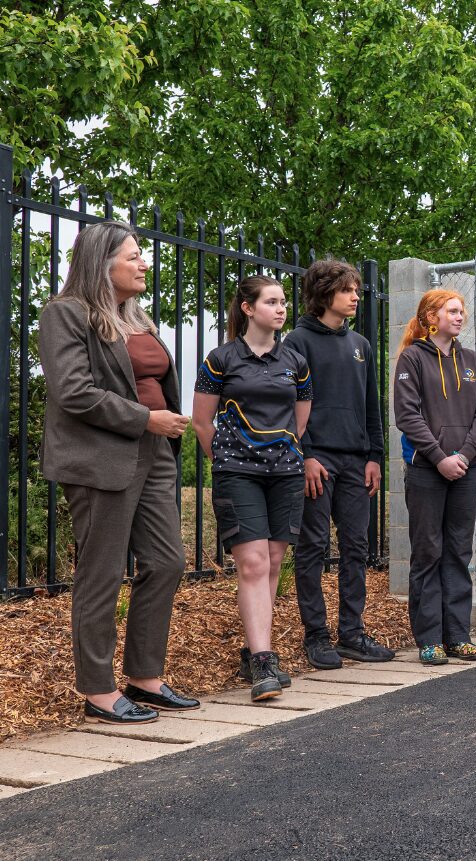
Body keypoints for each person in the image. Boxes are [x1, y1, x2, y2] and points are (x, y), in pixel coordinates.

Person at [39, 220, 199, 724]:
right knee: (102, 572)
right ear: (101, 263)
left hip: (154, 453)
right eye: (133, 256)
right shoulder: (66, 313)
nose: (143, 264)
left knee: (167, 562)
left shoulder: (136, 318)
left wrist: (160, 426)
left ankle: (144, 677)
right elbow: (73, 391)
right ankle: (98, 689)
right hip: (101, 457)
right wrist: (145, 418)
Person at [192, 275, 312, 701]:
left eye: (283, 302)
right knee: (254, 563)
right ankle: (264, 660)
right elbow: (201, 422)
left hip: (285, 473)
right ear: (247, 308)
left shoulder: (295, 361)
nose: (281, 309)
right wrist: (227, 459)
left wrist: (279, 455)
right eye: (271, 302)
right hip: (237, 474)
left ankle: (254, 651)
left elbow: (300, 421)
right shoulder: (220, 360)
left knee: (273, 561)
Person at [282, 258, 394, 668]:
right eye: (347, 290)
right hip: (316, 460)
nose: (355, 296)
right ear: (324, 292)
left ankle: (352, 634)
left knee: (356, 546)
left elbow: (371, 405)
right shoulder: (297, 341)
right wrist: (307, 454)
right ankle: (316, 636)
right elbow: (290, 405)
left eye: (357, 290)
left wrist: (374, 456)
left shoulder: (360, 344)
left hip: (356, 461)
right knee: (312, 546)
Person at [393, 289, 476, 665]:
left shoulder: (472, 361)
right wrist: (439, 458)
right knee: (428, 552)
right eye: (452, 310)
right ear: (431, 317)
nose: (459, 316)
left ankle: (458, 637)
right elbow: (407, 415)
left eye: (461, 310)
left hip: (467, 469)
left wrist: (464, 456)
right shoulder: (412, 358)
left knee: (458, 552)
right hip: (426, 469)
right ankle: (430, 639)